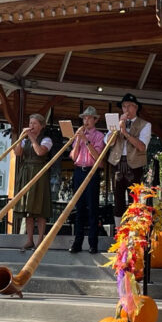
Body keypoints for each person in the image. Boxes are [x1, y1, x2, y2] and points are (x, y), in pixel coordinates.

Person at [106, 93, 152, 225]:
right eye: (124, 106)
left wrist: (125, 133)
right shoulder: (116, 123)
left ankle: (134, 232)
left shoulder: (145, 125)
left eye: (129, 106)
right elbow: (108, 142)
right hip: (117, 162)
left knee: (135, 199)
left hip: (135, 164)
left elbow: (142, 147)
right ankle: (119, 233)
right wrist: (117, 128)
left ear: (136, 108)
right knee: (118, 200)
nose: (126, 109)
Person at [13, 113, 53, 251]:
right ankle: (29, 239)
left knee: (40, 208)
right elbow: (17, 153)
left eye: (34, 123)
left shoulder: (46, 139)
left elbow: (40, 152)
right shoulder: (26, 139)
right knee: (28, 209)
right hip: (26, 172)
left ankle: (40, 240)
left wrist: (31, 138)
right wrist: (20, 139)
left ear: (41, 126)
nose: (31, 126)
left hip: (39, 172)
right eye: (30, 123)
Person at [69, 107, 106, 254]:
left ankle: (93, 244)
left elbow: (98, 157)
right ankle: (77, 243)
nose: (86, 121)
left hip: (92, 172)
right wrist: (78, 140)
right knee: (79, 210)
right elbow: (73, 156)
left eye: (89, 118)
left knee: (92, 209)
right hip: (79, 171)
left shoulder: (99, 136)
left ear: (95, 120)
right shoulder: (79, 135)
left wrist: (86, 141)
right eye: (84, 118)